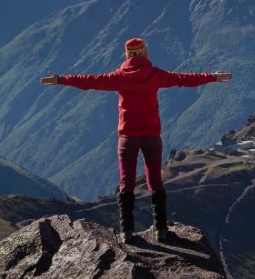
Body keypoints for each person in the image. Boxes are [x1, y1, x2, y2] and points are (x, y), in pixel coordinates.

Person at [41, 37, 232, 244]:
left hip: (127, 137)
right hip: (151, 136)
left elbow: (90, 81)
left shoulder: (119, 77)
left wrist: (61, 79)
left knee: (127, 183)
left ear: (127, 55)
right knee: (155, 182)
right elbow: (183, 78)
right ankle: (160, 229)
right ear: (144, 53)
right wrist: (212, 77)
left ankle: (126, 232)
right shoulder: (155, 75)